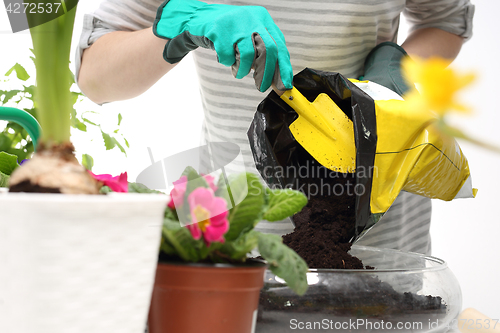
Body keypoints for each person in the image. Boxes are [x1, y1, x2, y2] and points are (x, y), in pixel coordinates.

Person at [76, 0, 475, 255]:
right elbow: (96, 76)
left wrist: (400, 64)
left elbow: (445, 19)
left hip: (383, 235)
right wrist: (183, 27)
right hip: (235, 240)